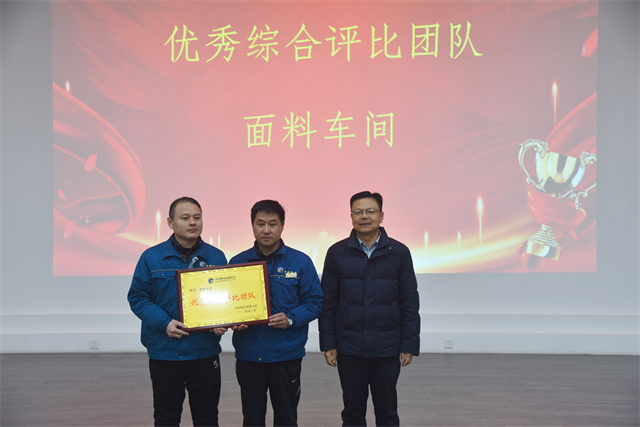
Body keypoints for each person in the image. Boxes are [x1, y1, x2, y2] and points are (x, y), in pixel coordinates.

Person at [318, 191, 420, 427]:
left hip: (387, 347)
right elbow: (328, 302)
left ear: (381, 216)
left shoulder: (399, 252)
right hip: (349, 348)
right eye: (358, 212)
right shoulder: (336, 253)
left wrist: (409, 344)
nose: (364, 216)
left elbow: (409, 302)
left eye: (370, 211)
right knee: (352, 413)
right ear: (351, 216)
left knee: (387, 413)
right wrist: (329, 343)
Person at [127, 196, 228, 426]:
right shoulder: (151, 257)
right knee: (166, 417)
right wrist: (164, 323)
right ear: (170, 222)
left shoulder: (216, 257)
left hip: (204, 352)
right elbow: (138, 298)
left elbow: (225, 299)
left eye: (197, 217)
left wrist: (223, 321)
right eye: (185, 218)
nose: (193, 222)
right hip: (165, 352)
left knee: (207, 418)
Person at [225, 199, 323, 427]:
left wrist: (291, 318)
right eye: (260, 224)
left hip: (286, 355)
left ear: (282, 226)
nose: (266, 230)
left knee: (286, 418)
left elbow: (315, 302)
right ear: (252, 225)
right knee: (252, 418)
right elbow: (229, 304)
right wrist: (232, 321)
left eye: (272, 224)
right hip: (249, 355)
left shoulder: (300, 262)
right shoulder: (237, 262)